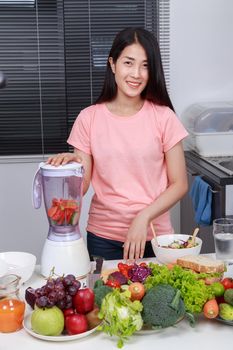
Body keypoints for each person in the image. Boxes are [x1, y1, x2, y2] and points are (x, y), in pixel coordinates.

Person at [47, 27, 188, 261]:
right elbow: (80, 188)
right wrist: (69, 169)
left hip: (156, 237)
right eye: (128, 63)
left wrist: (143, 217)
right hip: (104, 238)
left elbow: (179, 184)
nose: (136, 74)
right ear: (112, 64)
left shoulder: (164, 118)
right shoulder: (88, 118)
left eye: (145, 65)